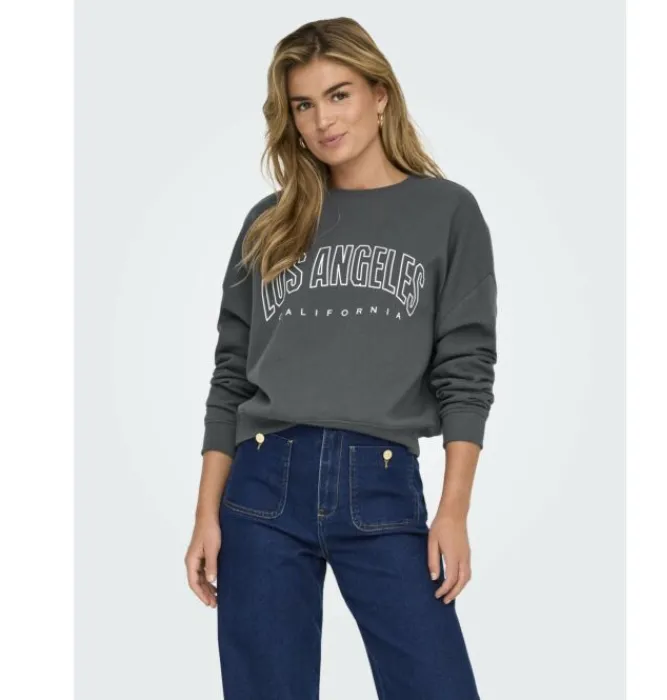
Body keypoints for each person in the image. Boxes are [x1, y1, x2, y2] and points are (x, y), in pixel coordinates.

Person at [184, 16, 497, 700]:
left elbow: (466, 371)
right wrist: (206, 513)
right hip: (261, 485)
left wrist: (453, 512)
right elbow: (231, 375)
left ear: (380, 95)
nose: (322, 120)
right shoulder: (269, 222)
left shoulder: (447, 212)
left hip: (378, 484)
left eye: (339, 95)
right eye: (303, 104)